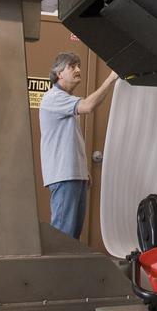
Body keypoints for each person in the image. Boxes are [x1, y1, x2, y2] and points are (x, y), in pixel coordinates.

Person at [39, 53, 117, 239]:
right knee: (64, 238)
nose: (78, 70)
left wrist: (83, 171)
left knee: (71, 237)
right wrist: (111, 78)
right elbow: (88, 106)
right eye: (72, 66)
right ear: (59, 74)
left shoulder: (65, 100)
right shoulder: (54, 98)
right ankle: (57, 269)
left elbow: (69, 139)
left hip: (73, 175)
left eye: (79, 65)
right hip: (65, 176)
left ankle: (65, 268)